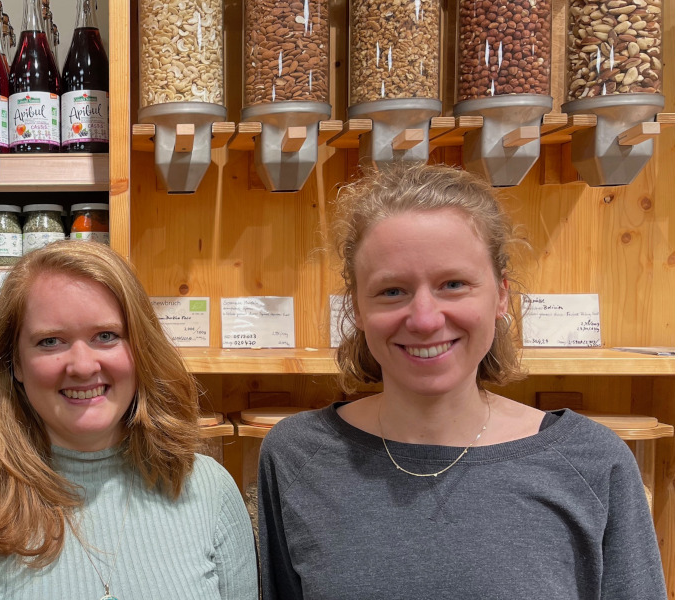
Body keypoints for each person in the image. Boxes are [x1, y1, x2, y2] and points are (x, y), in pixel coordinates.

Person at [257, 164, 666, 599]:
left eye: (453, 284)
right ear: (357, 308)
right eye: (392, 291)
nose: (425, 318)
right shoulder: (295, 457)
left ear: (501, 295)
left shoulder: (593, 464)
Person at [0, 241, 257, 599]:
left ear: (141, 348)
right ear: (15, 363)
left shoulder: (211, 491)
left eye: (106, 336)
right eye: (50, 341)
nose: (83, 366)